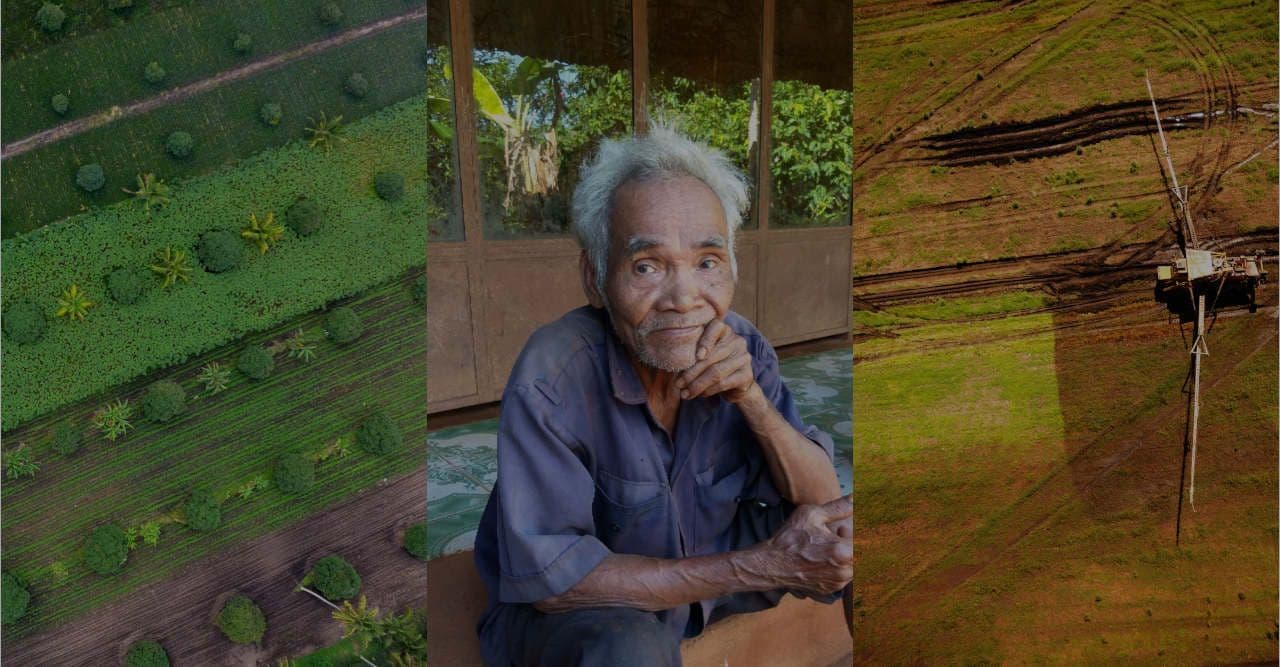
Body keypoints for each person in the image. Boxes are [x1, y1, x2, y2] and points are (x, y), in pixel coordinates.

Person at [473, 126, 851, 666]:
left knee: (859, 535)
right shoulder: (553, 374)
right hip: (587, 612)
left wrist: (753, 401)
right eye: (647, 265)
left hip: (708, 574)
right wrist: (763, 566)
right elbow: (556, 584)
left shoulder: (740, 344)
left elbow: (823, 497)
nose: (683, 298)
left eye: (706, 263)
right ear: (595, 276)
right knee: (629, 648)